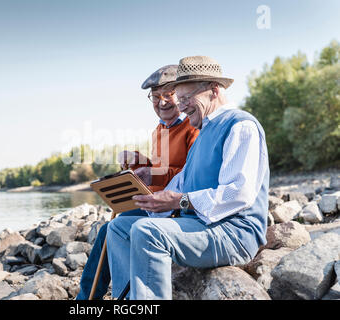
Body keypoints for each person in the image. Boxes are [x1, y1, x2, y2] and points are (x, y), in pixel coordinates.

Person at [106, 55, 270, 300]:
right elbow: (181, 183)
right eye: (179, 99)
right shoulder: (203, 131)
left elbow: (238, 193)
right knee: (119, 228)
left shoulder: (240, 125)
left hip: (233, 233)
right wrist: (149, 200)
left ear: (213, 90)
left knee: (147, 232)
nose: (180, 106)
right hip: (203, 226)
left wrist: (178, 201)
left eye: (185, 98)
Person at [75, 65, 199, 300]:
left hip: (176, 208)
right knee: (107, 231)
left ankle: (95, 299)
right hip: (155, 204)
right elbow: (160, 167)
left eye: (168, 94)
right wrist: (137, 160)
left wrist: (154, 174)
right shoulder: (159, 130)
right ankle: (87, 298)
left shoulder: (193, 127)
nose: (162, 102)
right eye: (155, 96)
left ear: (181, 94)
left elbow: (190, 175)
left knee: (114, 230)